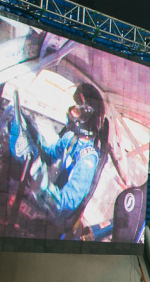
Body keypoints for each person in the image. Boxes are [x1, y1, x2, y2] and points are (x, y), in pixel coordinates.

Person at [10, 82, 105, 220]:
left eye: (77, 110)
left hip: (54, 216)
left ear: (86, 118)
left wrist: (37, 172)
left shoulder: (87, 161)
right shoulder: (71, 138)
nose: (71, 111)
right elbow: (49, 154)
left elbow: (63, 206)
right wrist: (31, 132)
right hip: (50, 193)